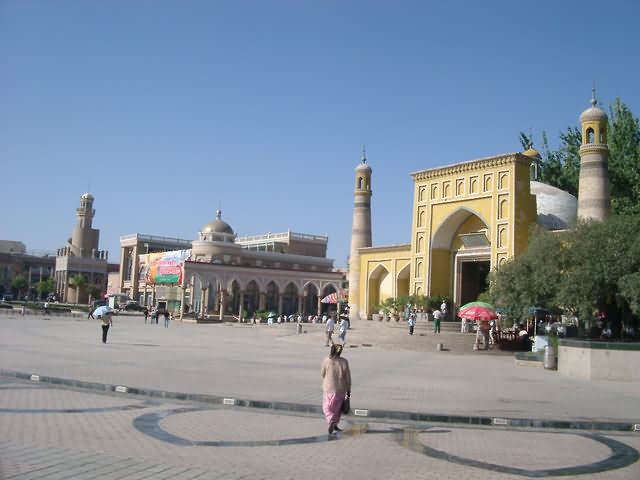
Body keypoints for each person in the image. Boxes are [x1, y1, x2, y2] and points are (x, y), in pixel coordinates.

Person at [321, 343, 351, 435]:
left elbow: (323, 373)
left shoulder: (326, 360)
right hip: (340, 389)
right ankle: (334, 423)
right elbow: (347, 377)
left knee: (327, 407)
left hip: (328, 388)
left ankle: (331, 421)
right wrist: (348, 389)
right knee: (337, 409)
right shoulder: (344, 361)